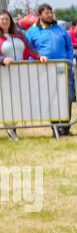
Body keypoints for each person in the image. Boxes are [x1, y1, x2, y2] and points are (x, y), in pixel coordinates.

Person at [25, 2, 74, 136]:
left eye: (51, 12)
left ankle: (66, 127)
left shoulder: (60, 29)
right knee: (52, 99)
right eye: (46, 13)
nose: (50, 15)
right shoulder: (32, 31)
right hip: (44, 70)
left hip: (64, 68)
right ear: (40, 15)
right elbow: (28, 50)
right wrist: (34, 64)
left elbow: (69, 47)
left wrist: (69, 62)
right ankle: (56, 128)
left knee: (68, 97)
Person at [1, 10, 45, 140]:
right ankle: (10, 128)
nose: (4, 21)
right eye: (2, 19)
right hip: (3, 74)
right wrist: (2, 60)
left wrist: (39, 56)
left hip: (19, 75)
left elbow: (29, 48)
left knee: (16, 102)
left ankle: (11, 127)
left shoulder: (19, 35)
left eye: (6, 19)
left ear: (10, 21)